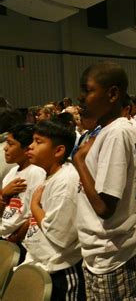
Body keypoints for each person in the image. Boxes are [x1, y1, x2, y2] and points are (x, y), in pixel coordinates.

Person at [73, 61, 136, 299]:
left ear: (113, 94)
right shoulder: (106, 131)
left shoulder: (117, 133)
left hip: (115, 254)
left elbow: (105, 208)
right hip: (101, 252)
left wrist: (79, 162)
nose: (81, 97)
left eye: (88, 90)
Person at [23, 119, 85, 299]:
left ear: (58, 151)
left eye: (38, 142)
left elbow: (61, 236)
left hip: (60, 271)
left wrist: (35, 206)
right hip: (41, 264)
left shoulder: (66, 181)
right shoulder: (50, 174)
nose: (30, 146)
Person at [0, 124, 45, 261]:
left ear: (26, 149)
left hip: (21, 242)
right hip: (4, 235)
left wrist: (17, 237)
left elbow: (34, 213)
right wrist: (3, 194)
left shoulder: (37, 173)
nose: (5, 148)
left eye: (11, 144)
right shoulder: (11, 173)